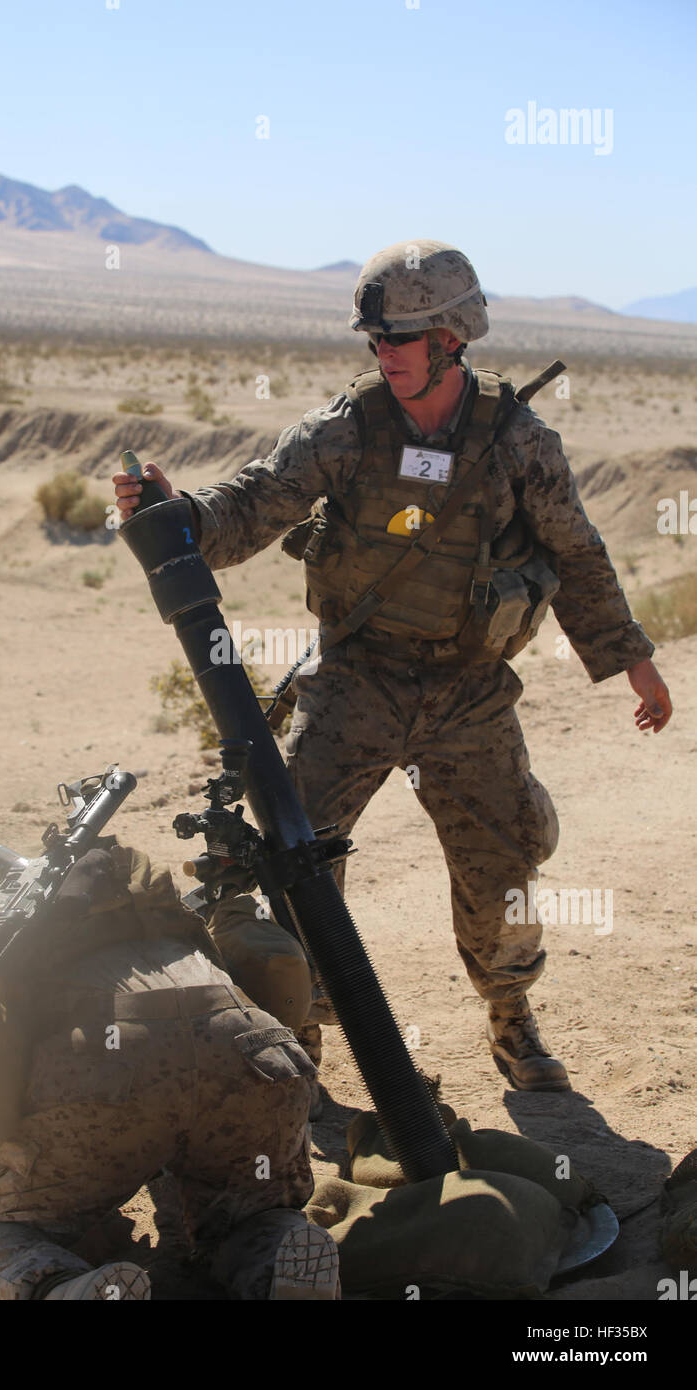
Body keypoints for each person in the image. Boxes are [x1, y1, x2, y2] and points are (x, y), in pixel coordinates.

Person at [112, 239, 672, 1093]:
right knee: (289, 854)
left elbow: (578, 553)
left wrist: (631, 660)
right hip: (356, 677)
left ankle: (512, 1018)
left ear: (451, 338)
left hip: (468, 689)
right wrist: (173, 513)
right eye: (374, 341)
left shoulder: (518, 441)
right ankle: (302, 1026)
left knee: (504, 867)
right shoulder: (348, 427)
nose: (384, 356)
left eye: (399, 340)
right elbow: (256, 503)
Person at [0, 839, 339, 1300]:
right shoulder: (91, 885)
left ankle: (57, 1286)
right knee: (238, 1206)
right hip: (255, 1050)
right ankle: (274, 1252)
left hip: (113, 1071)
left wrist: (50, 1195)